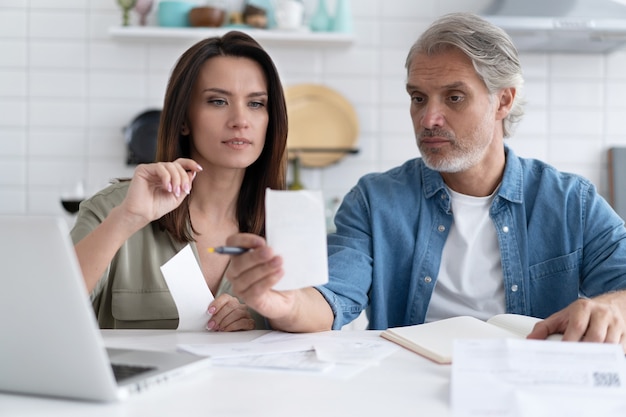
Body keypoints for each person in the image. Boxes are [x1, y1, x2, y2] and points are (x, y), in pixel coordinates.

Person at [225, 12, 626, 349]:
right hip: (407, 391)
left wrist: (612, 306)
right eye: (418, 98)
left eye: (454, 97)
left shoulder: (570, 201)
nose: (428, 119)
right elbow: (335, 297)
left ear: (503, 100)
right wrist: (281, 303)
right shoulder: (374, 200)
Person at [71, 31, 288, 331]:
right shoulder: (112, 209)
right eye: (218, 101)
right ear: (184, 119)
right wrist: (127, 219)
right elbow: (43, 311)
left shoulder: (287, 227)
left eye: (255, 104)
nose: (240, 120)